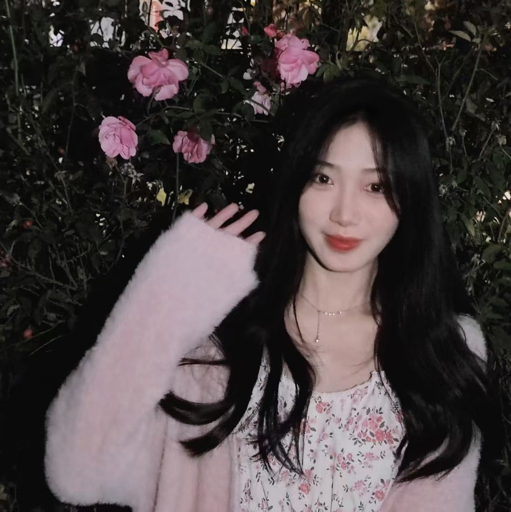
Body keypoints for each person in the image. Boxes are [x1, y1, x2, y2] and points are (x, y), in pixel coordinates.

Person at [44, 76, 500, 511]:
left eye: (375, 186)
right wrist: (163, 294)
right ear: (296, 184)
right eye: (323, 179)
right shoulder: (215, 344)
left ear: (410, 200)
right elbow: (76, 471)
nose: (344, 213)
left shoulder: (441, 352)